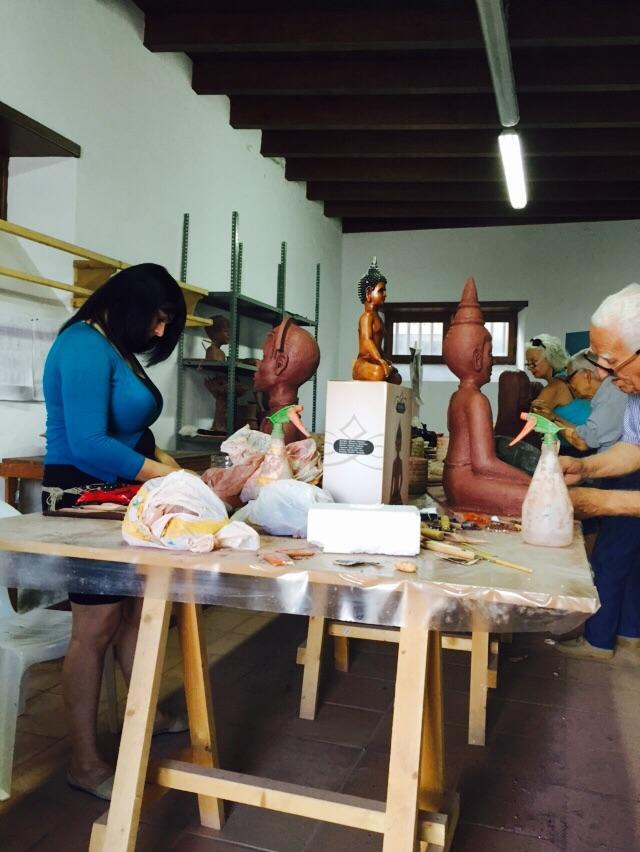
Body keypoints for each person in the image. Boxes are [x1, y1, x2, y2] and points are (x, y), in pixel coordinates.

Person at [42, 263, 187, 798]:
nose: (159, 331)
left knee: (132, 614)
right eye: (157, 318)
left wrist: (167, 464)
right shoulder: (83, 344)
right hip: (81, 496)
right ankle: (83, 761)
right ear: (129, 304)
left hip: (116, 493)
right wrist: (166, 477)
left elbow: (130, 433)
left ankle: (144, 711)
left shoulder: (113, 346)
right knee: (96, 625)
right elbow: (88, 444)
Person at [556, 284, 640, 660]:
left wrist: (599, 501)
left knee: (614, 557)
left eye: (610, 362)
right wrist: (585, 466)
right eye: (597, 361)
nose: (603, 375)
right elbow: (634, 449)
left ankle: (603, 641)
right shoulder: (634, 392)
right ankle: (627, 635)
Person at [254, 315, 320, 444]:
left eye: (264, 357)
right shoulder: (279, 416)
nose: (257, 364)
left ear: (280, 364)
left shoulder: (283, 424)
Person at [548, 349, 626, 454]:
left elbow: (582, 441)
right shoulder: (606, 393)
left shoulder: (613, 394)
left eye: (570, 378)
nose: (569, 384)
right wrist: (554, 417)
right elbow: (584, 432)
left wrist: (551, 421)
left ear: (587, 375)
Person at [352, 258, 401, 384]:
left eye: (385, 291)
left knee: (396, 378)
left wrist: (385, 360)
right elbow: (367, 341)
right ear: (368, 293)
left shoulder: (379, 318)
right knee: (380, 373)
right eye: (381, 291)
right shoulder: (366, 317)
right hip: (364, 363)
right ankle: (358, 370)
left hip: (375, 361)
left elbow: (378, 346)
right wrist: (379, 360)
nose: (385, 294)